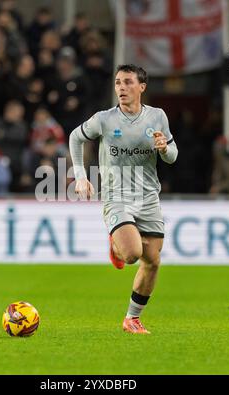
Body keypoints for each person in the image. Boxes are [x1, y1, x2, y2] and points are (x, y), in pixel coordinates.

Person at [69, 64, 178, 334]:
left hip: (149, 196)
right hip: (117, 195)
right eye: (118, 83)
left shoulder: (157, 116)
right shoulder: (104, 119)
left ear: (142, 87)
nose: (121, 88)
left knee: (152, 260)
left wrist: (164, 148)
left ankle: (132, 318)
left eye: (128, 82)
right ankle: (116, 245)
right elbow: (75, 137)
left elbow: (172, 155)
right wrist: (81, 175)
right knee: (132, 254)